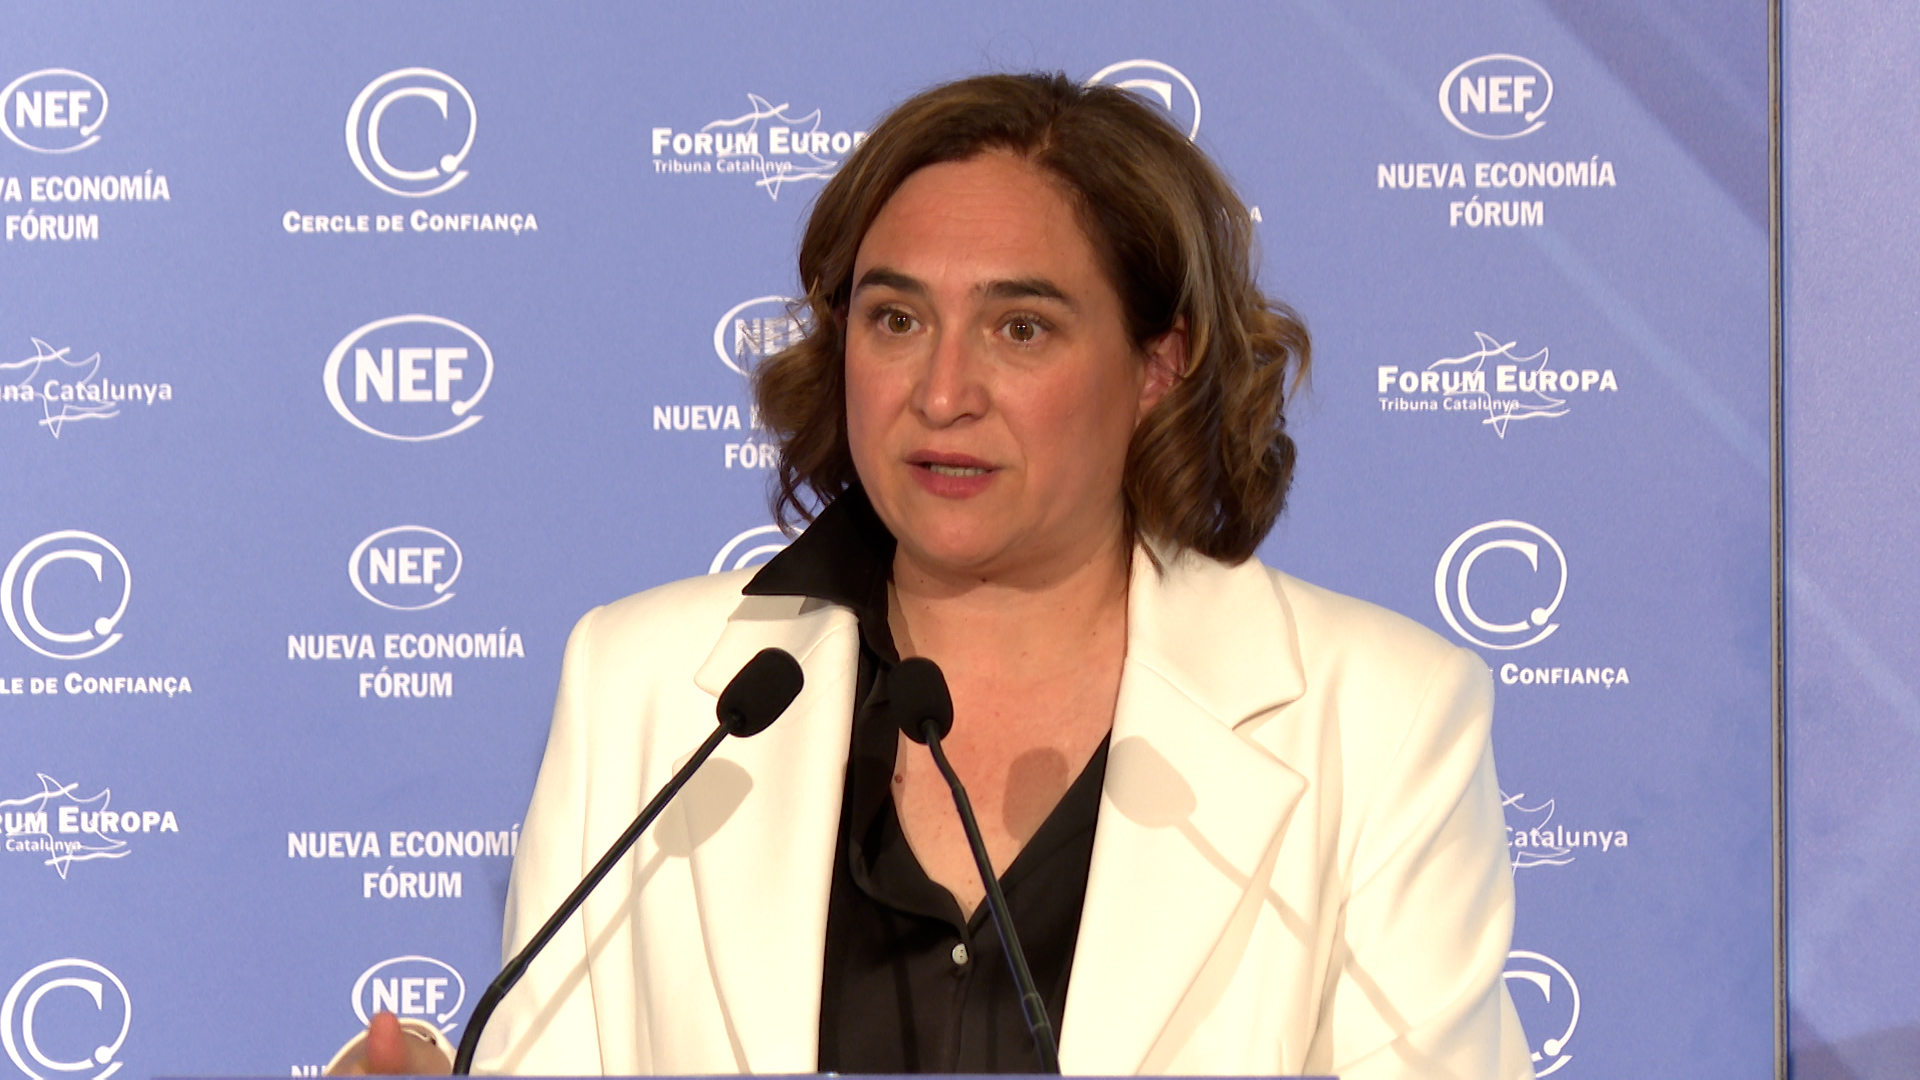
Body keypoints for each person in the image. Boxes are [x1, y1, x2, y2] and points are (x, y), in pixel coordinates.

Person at [330, 71, 1530, 1078]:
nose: (942, 393)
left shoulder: (1378, 722)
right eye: (896, 319)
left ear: (1158, 366)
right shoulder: (644, 686)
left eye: (1021, 328)